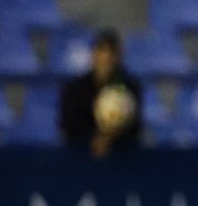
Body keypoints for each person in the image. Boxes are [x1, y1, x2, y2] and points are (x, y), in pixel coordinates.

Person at [58, 28, 143, 156]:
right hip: (80, 155)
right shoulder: (75, 89)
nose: (106, 57)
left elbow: (134, 126)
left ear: (119, 56)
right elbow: (69, 125)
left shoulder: (129, 88)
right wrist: (93, 138)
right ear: (93, 54)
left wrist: (110, 138)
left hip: (121, 156)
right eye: (102, 50)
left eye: (111, 51)